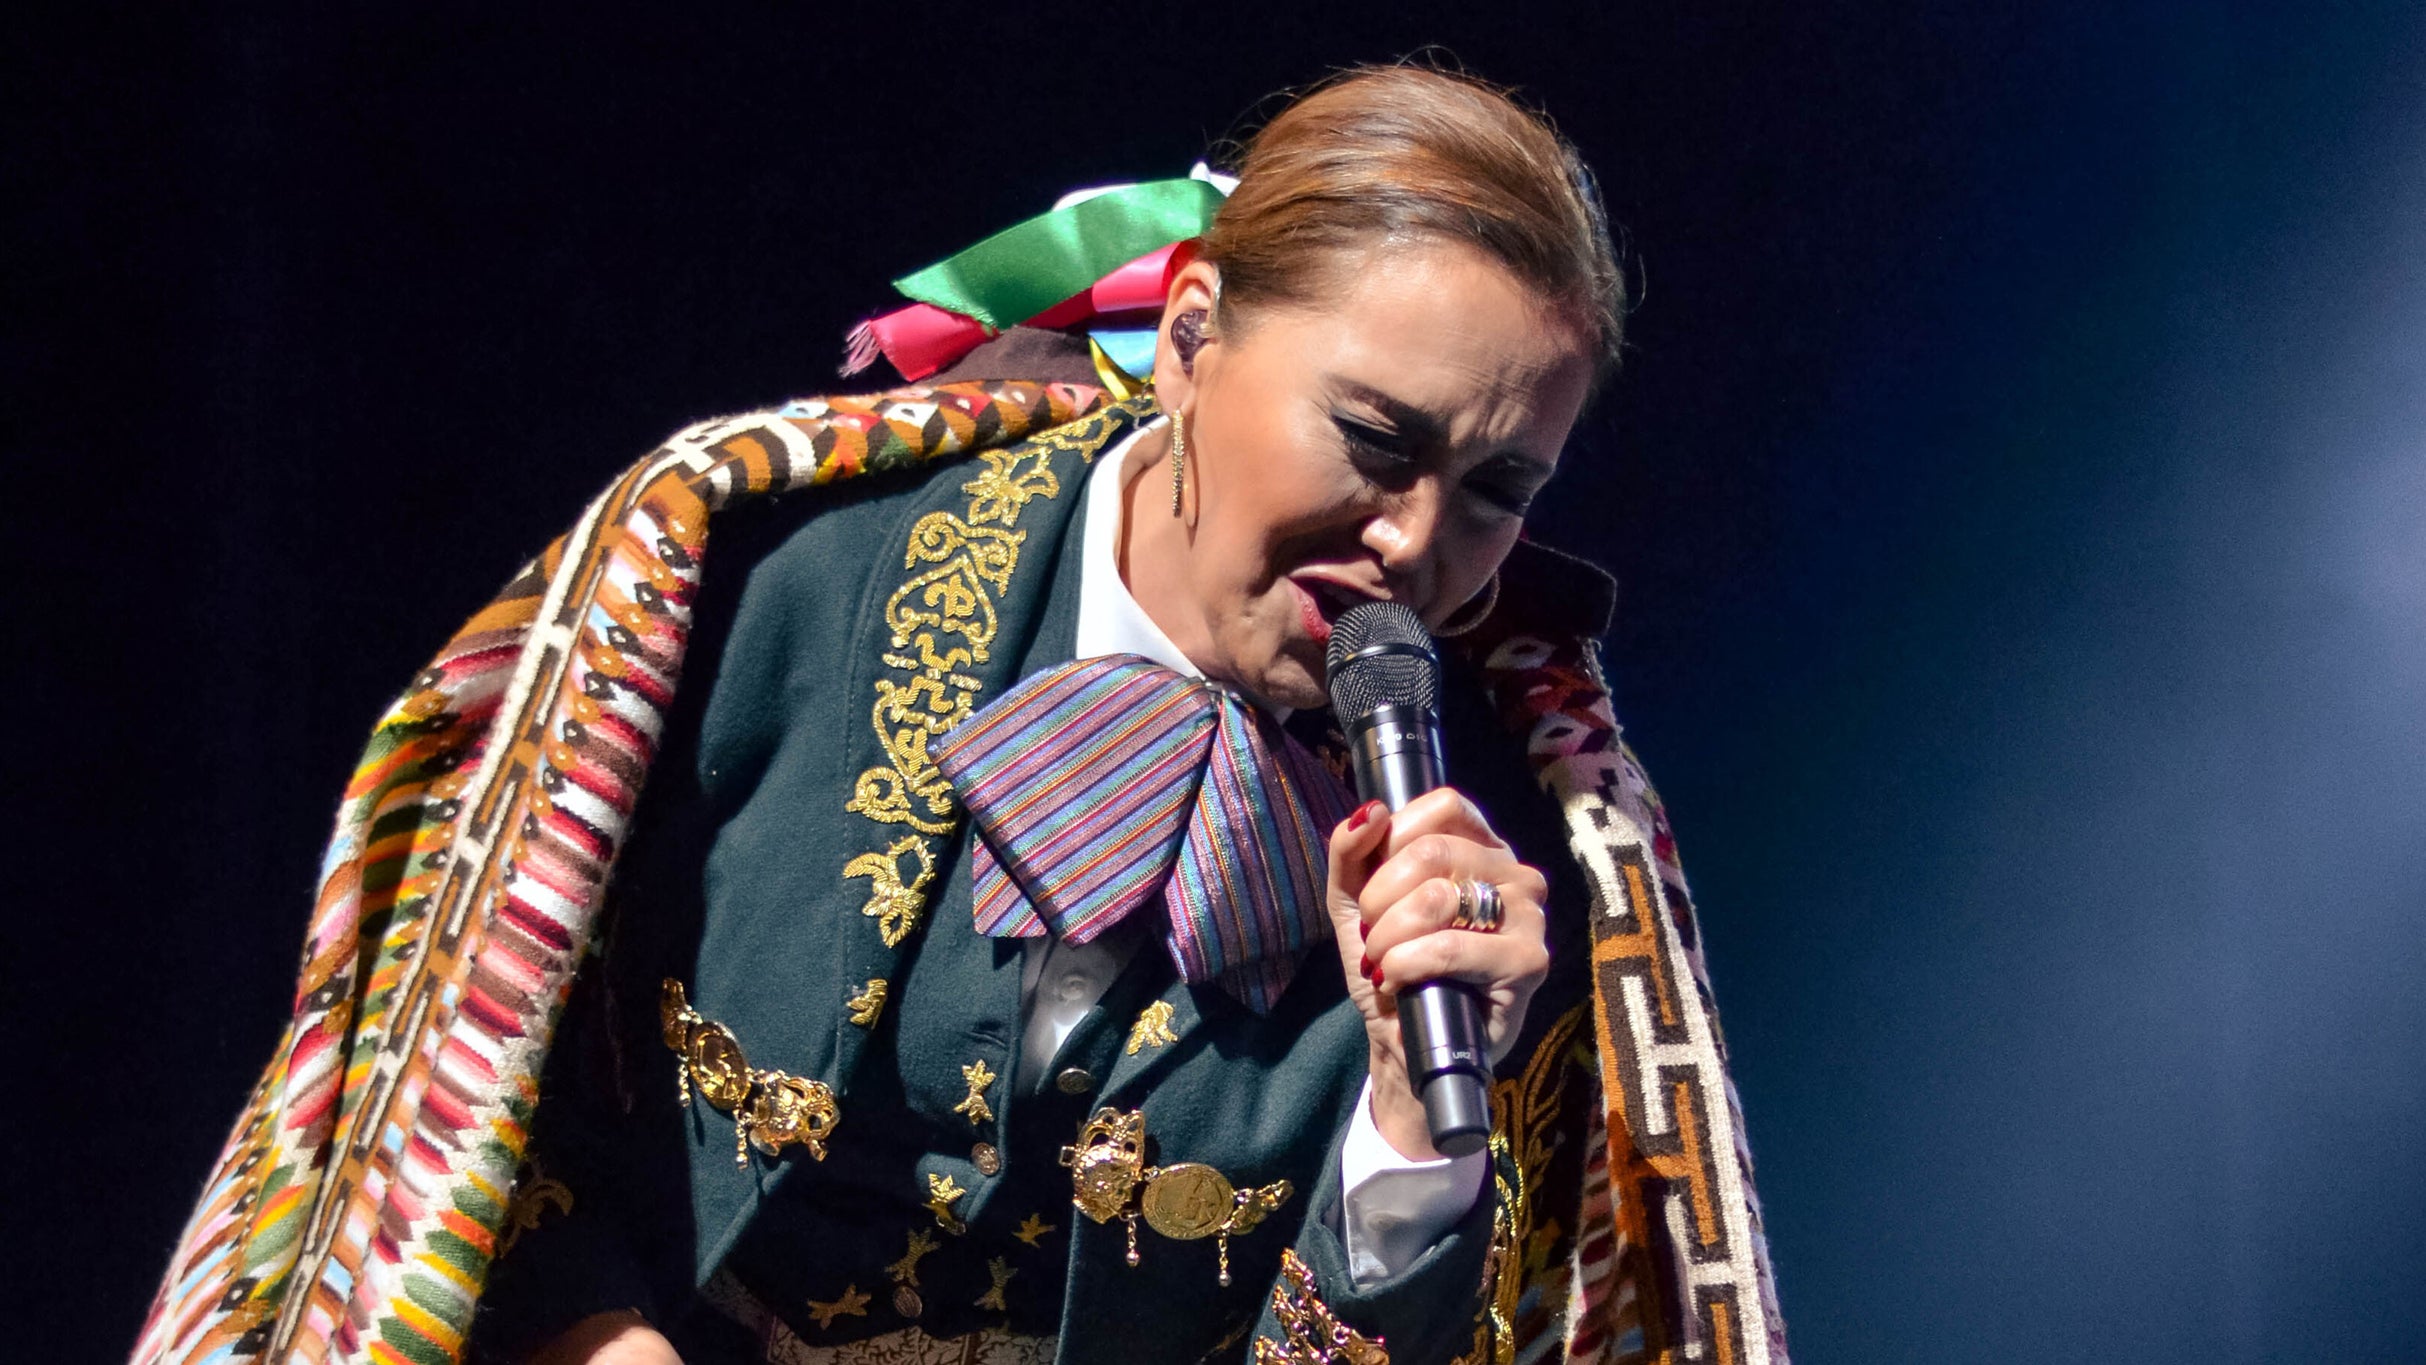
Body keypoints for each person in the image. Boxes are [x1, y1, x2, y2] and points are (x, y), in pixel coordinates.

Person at [136, 66, 1787, 1365]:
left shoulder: (1507, 863)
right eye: (1372, 437)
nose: (1416, 543)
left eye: (1496, 489)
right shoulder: (767, 587)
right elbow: (471, 1102)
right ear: (1190, 338)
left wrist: (1417, 1135)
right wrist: (593, 1335)